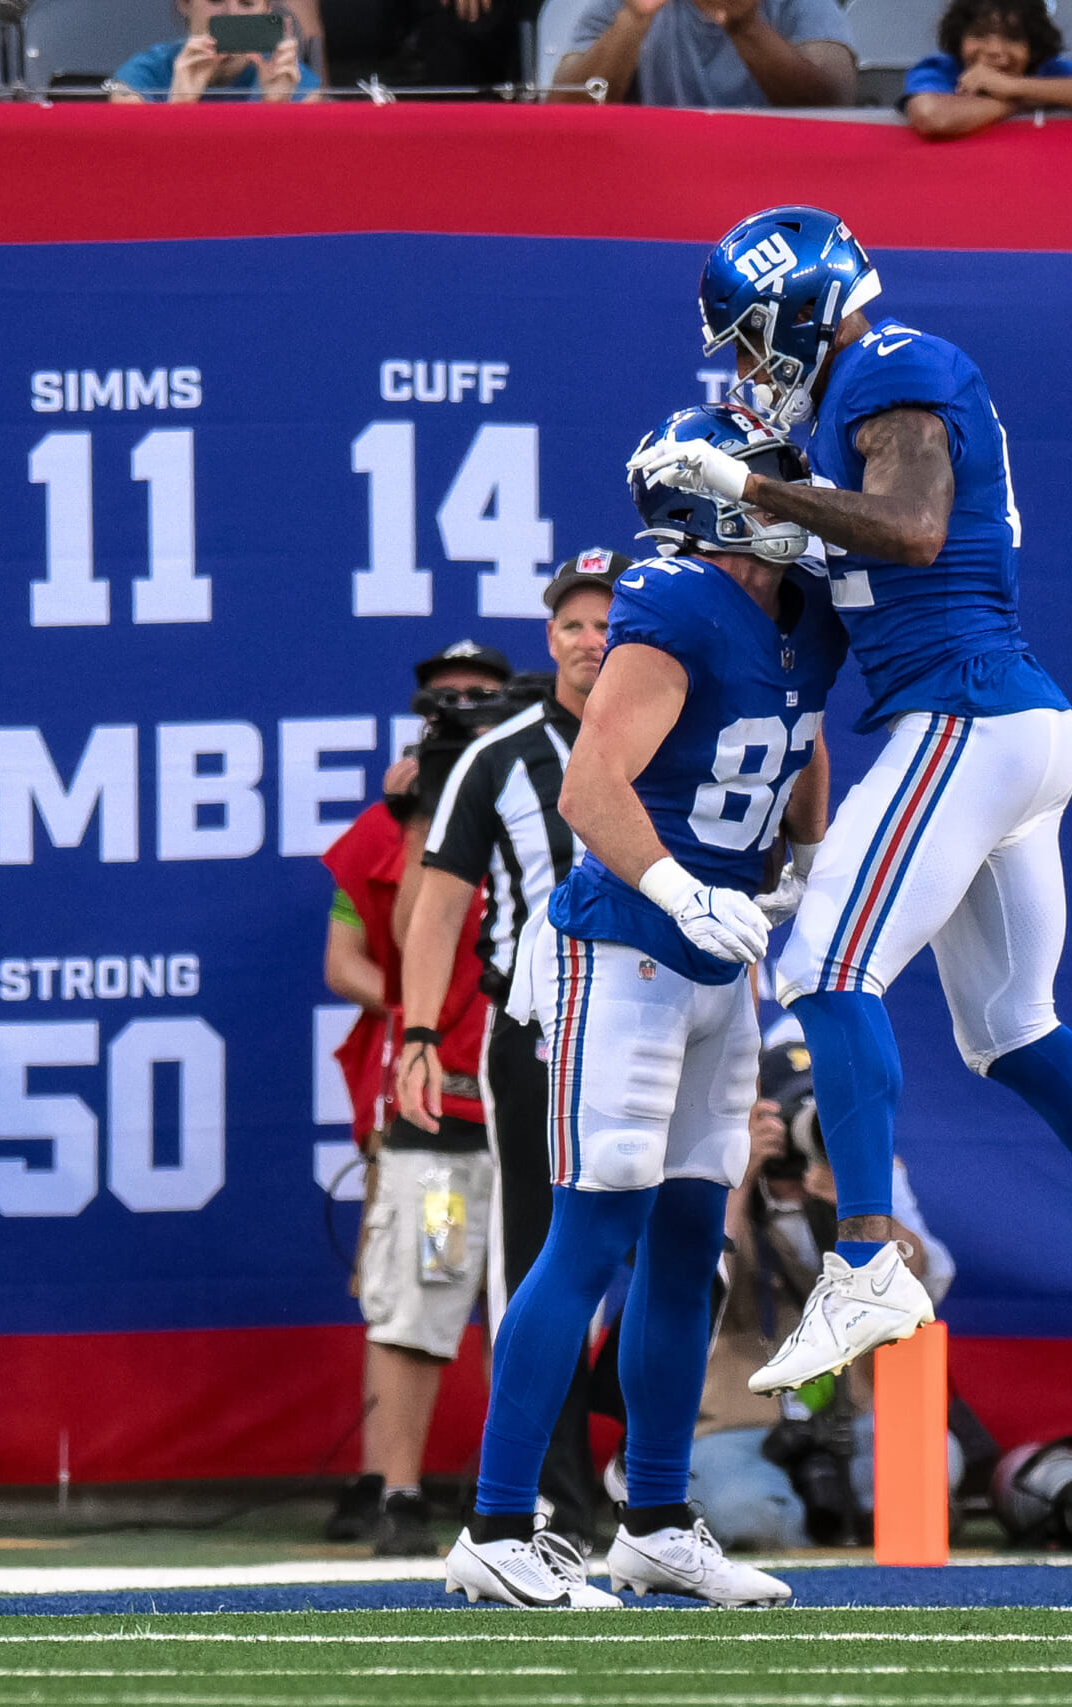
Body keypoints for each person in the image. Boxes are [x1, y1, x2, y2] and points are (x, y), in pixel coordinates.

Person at [633, 205, 1072, 1445]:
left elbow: (914, 526)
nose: (751, 368)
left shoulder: (889, 365)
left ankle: (866, 1260)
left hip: (964, 717)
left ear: (797, 305)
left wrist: (749, 480)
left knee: (824, 964)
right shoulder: (858, 395)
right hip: (1006, 724)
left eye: (751, 339)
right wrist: (755, 505)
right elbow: (851, 549)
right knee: (1012, 1029)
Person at [443, 403, 840, 1610]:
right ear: (711, 500)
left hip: (721, 961)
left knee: (688, 1248)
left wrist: (807, 866)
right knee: (593, 1235)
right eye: (769, 481)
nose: (792, 495)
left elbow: (800, 742)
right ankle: (499, 1526)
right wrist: (673, 882)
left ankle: (657, 1519)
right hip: (620, 953)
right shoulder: (670, 603)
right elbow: (590, 784)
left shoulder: (803, 615)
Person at [396, 555, 618, 1544]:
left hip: (663, 1030)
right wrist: (414, 1032)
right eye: (570, 623)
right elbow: (438, 902)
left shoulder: (677, 733)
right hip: (536, 1037)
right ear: (549, 639)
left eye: (605, 619)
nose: (588, 637)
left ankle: (644, 1480)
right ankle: (551, 1503)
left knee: (692, 1257)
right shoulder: (502, 754)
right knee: (536, 1267)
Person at [316, 638, 511, 1556]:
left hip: (536, 1109)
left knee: (531, 1300)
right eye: (445, 701)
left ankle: (526, 1488)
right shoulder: (392, 825)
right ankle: (396, 1490)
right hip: (446, 1112)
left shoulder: (539, 790)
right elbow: (371, 949)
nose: (461, 710)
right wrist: (419, 812)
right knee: (425, 1286)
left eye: (480, 696)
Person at [694, 1038, 958, 1549]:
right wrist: (737, 1174)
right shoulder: (709, 1171)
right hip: (737, 1417)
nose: (810, 1127)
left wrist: (861, 1205)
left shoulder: (868, 1172)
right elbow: (700, 1282)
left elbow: (927, 1282)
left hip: (848, 1412)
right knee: (756, 1521)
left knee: (933, 1464)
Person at [901, 0, 1072, 141]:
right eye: (979, 35)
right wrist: (1021, 101)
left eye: (1013, 38)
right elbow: (934, 117)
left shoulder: (1047, 68)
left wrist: (1012, 86)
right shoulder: (939, 68)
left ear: (1033, 46)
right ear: (958, 40)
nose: (995, 49)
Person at [549, 0, 855, 108]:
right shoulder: (619, 4)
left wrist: (746, 26)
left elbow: (836, 101)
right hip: (655, 171)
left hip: (776, 173)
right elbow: (564, 105)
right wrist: (634, 19)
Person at [110, 0, 323, 101]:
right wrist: (179, 106)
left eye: (246, 3)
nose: (231, 14)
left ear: (266, 10)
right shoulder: (137, 82)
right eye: (216, 1)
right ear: (184, 4)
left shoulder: (296, 86)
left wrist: (275, 111)